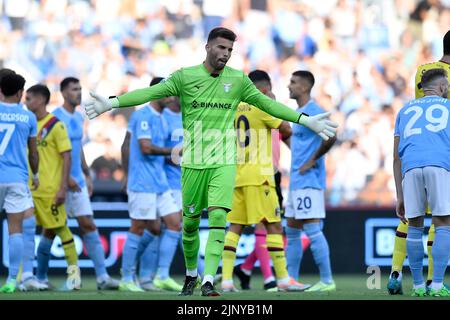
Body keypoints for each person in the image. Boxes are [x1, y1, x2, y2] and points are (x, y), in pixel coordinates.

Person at [85, 27, 338, 296]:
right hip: (193, 164)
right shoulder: (185, 77)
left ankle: (208, 280)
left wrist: (303, 119)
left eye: (230, 50)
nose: (226, 54)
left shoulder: (238, 81)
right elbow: (150, 94)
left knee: (219, 217)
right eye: (221, 48)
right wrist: (112, 103)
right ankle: (191, 273)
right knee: (191, 224)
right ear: (208, 47)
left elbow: (268, 105)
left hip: (224, 163)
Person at [221, 69, 310, 293]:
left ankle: (226, 280)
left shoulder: (233, 108)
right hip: (260, 177)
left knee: (235, 228)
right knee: (274, 225)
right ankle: (282, 278)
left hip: (238, 177)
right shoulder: (261, 105)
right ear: (263, 89)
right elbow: (286, 127)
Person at [37, 77, 119, 290]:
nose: (78, 93)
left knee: (88, 224)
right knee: (50, 229)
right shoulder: (54, 118)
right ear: (63, 93)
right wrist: (67, 179)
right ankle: (41, 277)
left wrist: (86, 173)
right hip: (59, 183)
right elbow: (50, 153)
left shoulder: (79, 116)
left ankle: (102, 277)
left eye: (80, 89)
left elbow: (77, 147)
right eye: (74, 89)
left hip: (78, 181)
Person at [388, 29, 450, 295]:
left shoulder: (422, 70)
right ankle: (435, 282)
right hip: (440, 151)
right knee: (442, 220)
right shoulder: (444, 86)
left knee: (411, 221)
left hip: (412, 153)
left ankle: (399, 275)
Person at [120, 77, 182, 292]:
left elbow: (157, 150)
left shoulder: (163, 118)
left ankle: (159, 275)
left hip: (160, 182)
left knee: (172, 223)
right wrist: (175, 151)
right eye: (169, 92)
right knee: (138, 227)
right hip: (143, 182)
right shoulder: (143, 115)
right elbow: (146, 148)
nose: (173, 97)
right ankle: (127, 277)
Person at [22, 84, 80, 291]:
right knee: (24, 234)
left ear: (40, 100)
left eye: (29, 98)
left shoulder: (56, 125)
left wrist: (62, 187)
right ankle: (26, 277)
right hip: (28, 189)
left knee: (62, 231)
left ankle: (75, 279)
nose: (26, 102)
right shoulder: (27, 123)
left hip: (49, 190)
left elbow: (67, 156)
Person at [284, 70, 337, 292]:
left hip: (309, 180)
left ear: (305, 87)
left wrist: (312, 160)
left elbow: (333, 134)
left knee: (313, 230)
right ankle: (291, 280)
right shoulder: (298, 113)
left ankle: (327, 281)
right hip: (296, 181)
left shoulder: (315, 111)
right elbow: (298, 143)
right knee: (293, 231)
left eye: (293, 82)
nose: (289, 85)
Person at [0, 73, 39, 293]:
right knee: (15, 230)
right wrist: (35, 175)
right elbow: (33, 154)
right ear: (20, 93)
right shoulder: (28, 118)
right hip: (16, 179)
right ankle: (12, 280)